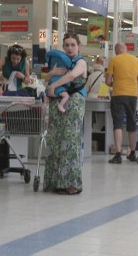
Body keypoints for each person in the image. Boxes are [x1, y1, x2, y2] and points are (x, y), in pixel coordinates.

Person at [44, 32, 87, 195]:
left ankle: (70, 183)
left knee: (70, 141)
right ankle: (55, 181)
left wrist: (54, 87)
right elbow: (46, 81)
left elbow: (71, 76)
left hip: (74, 103)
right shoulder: (60, 63)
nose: (70, 48)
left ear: (79, 46)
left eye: (73, 45)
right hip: (57, 104)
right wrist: (52, 74)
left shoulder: (81, 62)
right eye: (67, 45)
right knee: (55, 141)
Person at [105, 43, 138, 164]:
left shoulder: (114, 59)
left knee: (118, 124)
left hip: (118, 95)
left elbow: (107, 81)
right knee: (132, 123)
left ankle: (118, 154)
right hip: (132, 95)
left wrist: (114, 84)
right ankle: (132, 153)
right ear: (126, 50)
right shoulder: (136, 60)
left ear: (116, 51)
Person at [45, 48, 81, 113]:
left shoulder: (56, 67)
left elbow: (47, 80)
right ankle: (60, 105)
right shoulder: (70, 67)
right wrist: (52, 73)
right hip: (62, 94)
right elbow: (46, 79)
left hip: (56, 95)